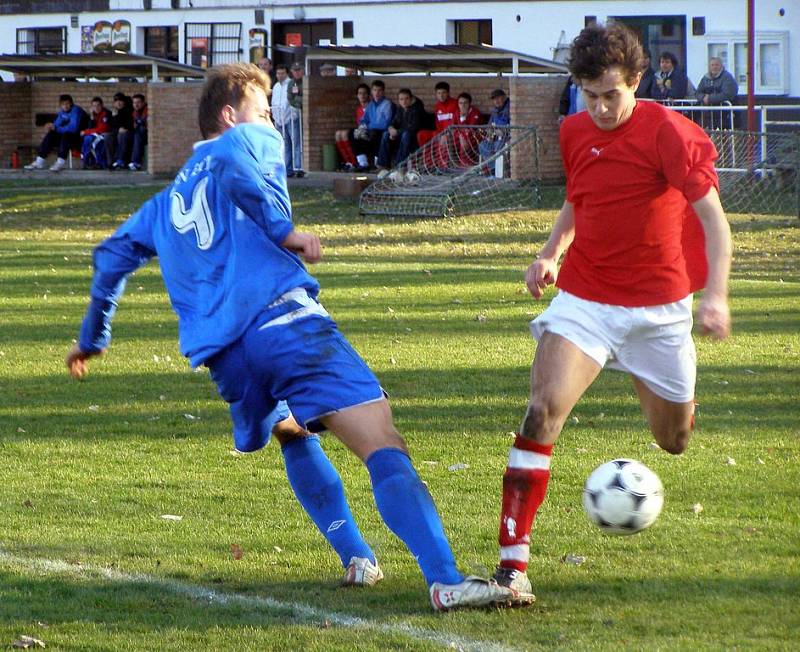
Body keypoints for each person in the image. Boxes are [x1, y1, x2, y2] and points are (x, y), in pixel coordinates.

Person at [65, 62, 517, 612]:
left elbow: (111, 256)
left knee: (293, 431)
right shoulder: (245, 142)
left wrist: (94, 336)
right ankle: (445, 579)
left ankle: (355, 556)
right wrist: (284, 230)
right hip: (286, 324)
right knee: (382, 444)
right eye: (264, 111)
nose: (273, 123)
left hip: (229, 359)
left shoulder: (163, 204)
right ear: (231, 117)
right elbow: (232, 162)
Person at [490, 23, 732, 605]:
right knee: (542, 410)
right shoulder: (574, 131)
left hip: (660, 312)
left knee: (672, 440)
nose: (599, 108)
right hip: (586, 302)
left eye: (611, 95)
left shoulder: (671, 134)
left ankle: (659, 394)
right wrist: (551, 252)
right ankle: (511, 567)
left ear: (637, 82)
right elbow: (580, 196)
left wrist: (716, 294)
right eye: (589, 94)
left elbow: (715, 222)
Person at [24, 94, 87, 171]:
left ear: (71, 103)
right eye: (63, 104)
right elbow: (56, 124)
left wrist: (57, 128)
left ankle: (60, 163)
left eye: (67, 104)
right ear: (60, 105)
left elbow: (73, 128)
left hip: (79, 137)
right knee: (51, 135)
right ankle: (39, 161)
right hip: (66, 137)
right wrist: (51, 126)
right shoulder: (62, 113)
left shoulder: (76, 111)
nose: (65, 106)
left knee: (66, 136)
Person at [376, 88, 425, 177]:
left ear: (411, 99)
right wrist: (391, 129)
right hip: (400, 136)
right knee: (385, 134)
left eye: (406, 99)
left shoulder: (416, 109)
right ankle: (383, 167)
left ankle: (399, 166)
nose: (404, 101)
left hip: (412, 138)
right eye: (401, 99)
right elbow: (393, 122)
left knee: (406, 135)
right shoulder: (400, 109)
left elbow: (413, 128)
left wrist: (396, 132)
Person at [352, 79, 394, 171]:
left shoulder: (387, 104)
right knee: (353, 133)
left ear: (383, 92)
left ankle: (377, 163)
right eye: (375, 90)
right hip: (371, 130)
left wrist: (369, 126)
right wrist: (362, 128)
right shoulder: (370, 105)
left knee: (375, 133)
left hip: (382, 131)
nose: (377, 93)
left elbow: (385, 123)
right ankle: (363, 163)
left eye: (379, 90)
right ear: (372, 91)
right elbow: (364, 119)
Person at [334, 83, 370, 171]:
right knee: (338, 134)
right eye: (360, 93)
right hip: (360, 131)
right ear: (357, 95)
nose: (362, 96)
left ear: (368, 95)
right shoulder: (359, 109)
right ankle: (348, 162)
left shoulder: (371, 106)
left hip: (369, 131)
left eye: (364, 93)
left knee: (348, 133)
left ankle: (355, 162)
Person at [478, 89, 510, 175]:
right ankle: (493, 169)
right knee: (483, 146)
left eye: (498, 98)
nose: (496, 101)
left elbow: (509, 127)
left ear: (504, 97)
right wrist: (489, 133)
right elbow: (489, 126)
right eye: (494, 99)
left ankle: (499, 173)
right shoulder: (495, 110)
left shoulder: (510, 108)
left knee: (497, 147)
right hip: (495, 137)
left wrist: (500, 131)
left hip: (506, 138)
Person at [452, 92, 485, 167]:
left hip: (475, 137)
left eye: (465, 103)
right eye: (460, 103)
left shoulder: (475, 112)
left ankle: (465, 165)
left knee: (465, 137)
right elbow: (453, 128)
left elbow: (471, 129)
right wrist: (460, 135)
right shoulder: (457, 112)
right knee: (445, 138)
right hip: (461, 137)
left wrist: (463, 117)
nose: (462, 105)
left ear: (469, 103)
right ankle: (444, 166)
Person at [285, 62, 306, 177]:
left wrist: (300, 99)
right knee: (293, 142)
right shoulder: (291, 83)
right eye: (295, 70)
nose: (297, 73)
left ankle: (299, 167)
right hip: (296, 114)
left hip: (306, 114)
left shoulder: (306, 81)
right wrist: (298, 102)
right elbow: (290, 98)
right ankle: (293, 167)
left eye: (299, 70)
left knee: (299, 142)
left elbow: (308, 97)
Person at [79, 96, 110, 170]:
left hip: (105, 134)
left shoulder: (106, 113)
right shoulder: (92, 115)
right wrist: (92, 118)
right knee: (87, 138)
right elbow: (91, 128)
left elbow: (102, 129)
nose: (96, 108)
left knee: (92, 141)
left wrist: (86, 132)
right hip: (95, 135)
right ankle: (86, 162)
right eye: (94, 106)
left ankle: (99, 163)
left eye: (98, 105)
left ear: (102, 105)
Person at [107, 92, 134, 170]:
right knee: (108, 136)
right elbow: (111, 126)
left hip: (128, 133)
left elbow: (129, 125)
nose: (118, 103)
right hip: (117, 132)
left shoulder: (129, 111)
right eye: (116, 101)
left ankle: (119, 160)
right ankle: (110, 161)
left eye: (120, 101)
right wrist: (115, 117)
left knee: (122, 135)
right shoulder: (113, 112)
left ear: (124, 102)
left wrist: (122, 129)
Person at [127, 93, 148, 171]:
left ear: (143, 103)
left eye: (138, 102)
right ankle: (121, 161)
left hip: (147, 135)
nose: (136, 105)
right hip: (138, 133)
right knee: (124, 136)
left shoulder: (147, 110)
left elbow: (144, 124)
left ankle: (135, 162)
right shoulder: (134, 112)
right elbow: (134, 125)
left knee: (138, 134)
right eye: (134, 103)